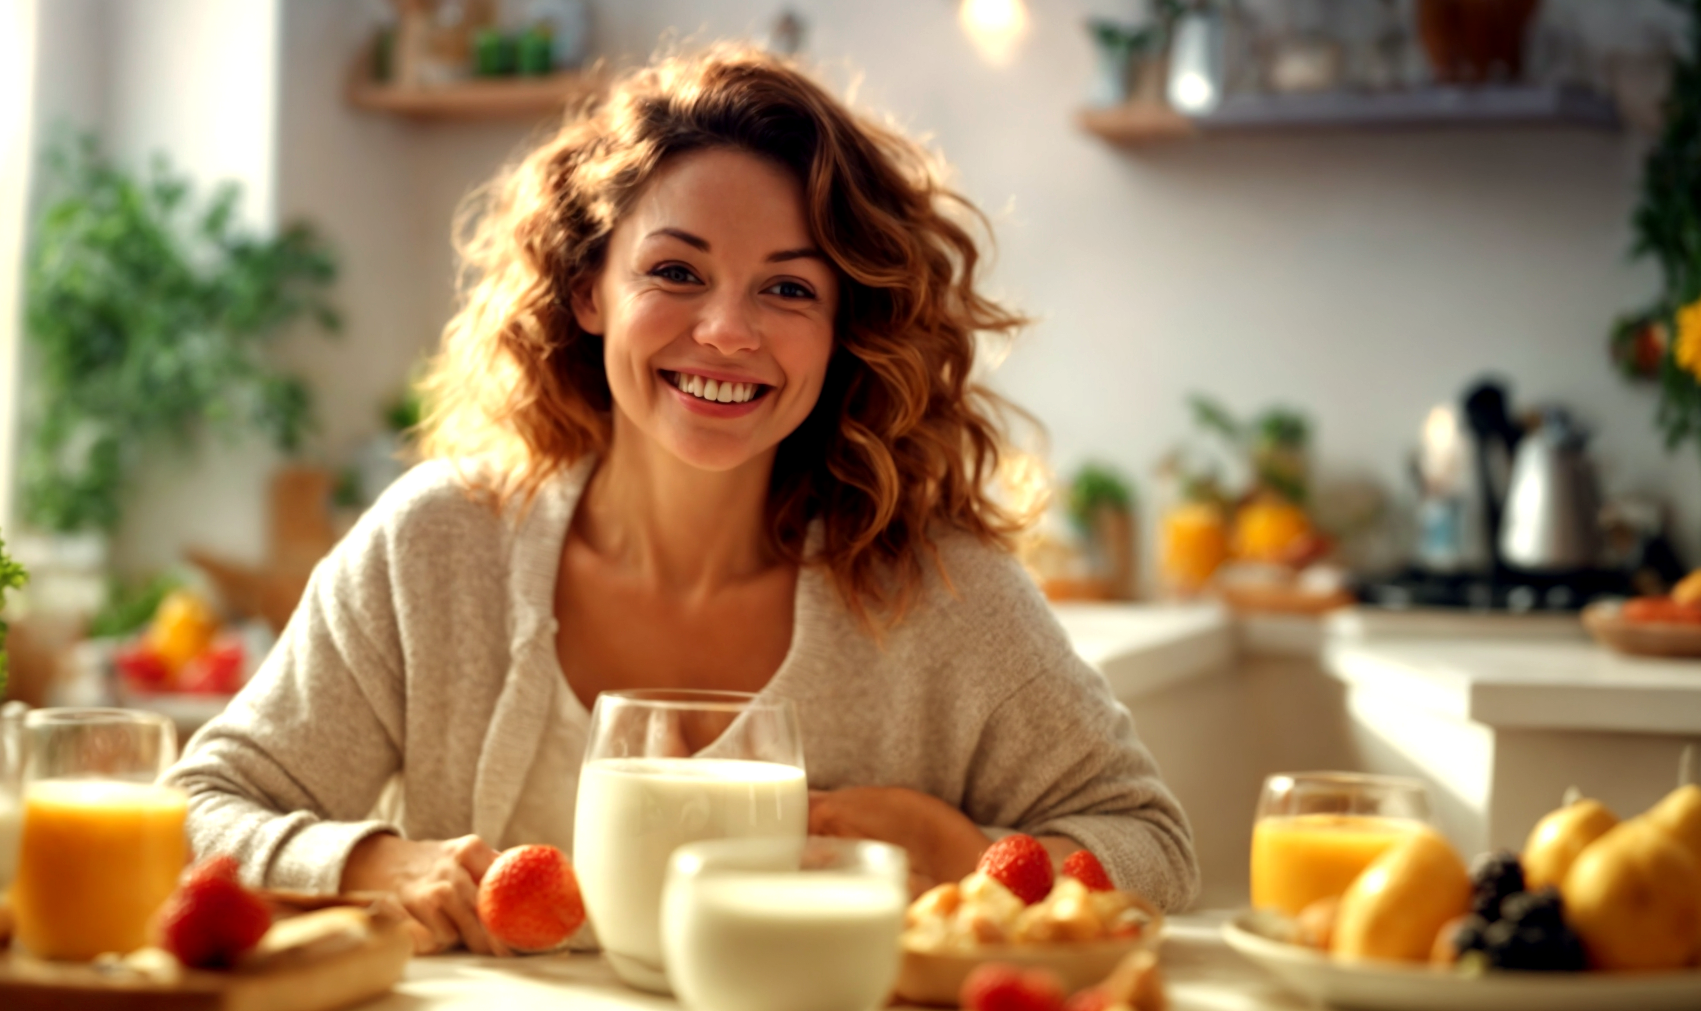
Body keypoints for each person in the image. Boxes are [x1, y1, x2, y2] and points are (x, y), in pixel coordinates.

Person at [166, 44, 1198, 955]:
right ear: (588, 290)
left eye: (788, 289)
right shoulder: (436, 548)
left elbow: (1150, 846)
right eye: (676, 271)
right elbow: (196, 810)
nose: (726, 333)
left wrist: (968, 854)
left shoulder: (940, 595)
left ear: (845, 328)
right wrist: (371, 863)